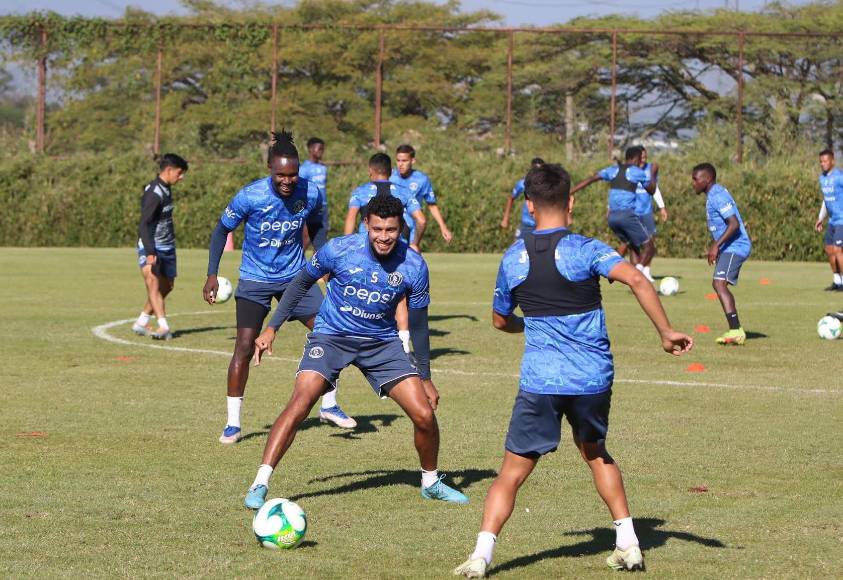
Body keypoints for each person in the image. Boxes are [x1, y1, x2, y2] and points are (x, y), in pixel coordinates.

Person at [452, 164, 693, 578]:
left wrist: (526, 324)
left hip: (541, 381)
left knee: (511, 472)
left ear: (528, 206)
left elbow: (498, 320)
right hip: (592, 380)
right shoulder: (586, 249)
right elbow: (636, 279)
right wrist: (666, 332)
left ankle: (481, 556)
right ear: (571, 201)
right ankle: (629, 544)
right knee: (596, 452)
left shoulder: (513, 258)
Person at [243, 193, 468, 510]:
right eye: (377, 229)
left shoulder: (415, 265)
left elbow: (419, 325)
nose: (384, 237)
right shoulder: (338, 249)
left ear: (401, 227)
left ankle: (430, 482)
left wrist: (426, 376)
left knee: (424, 414)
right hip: (331, 337)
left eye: (391, 230)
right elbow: (300, 284)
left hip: (382, 343)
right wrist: (271, 327)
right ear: (366, 224)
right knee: (301, 401)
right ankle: (260, 483)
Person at [203, 130, 356, 446]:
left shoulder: (310, 192)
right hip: (255, 279)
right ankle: (233, 423)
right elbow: (220, 231)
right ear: (270, 170)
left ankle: (329, 405)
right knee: (244, 346)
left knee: (331, 333)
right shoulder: (251, 195)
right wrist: (211, 274)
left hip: (296, 278)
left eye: (292, 175)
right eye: (280, 175)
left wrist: (325, 261)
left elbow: (316, 225)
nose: (287, 181)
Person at [570, 147, 658, 275]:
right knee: (650, 247)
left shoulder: (613, 170)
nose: (642, 161)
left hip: (612, 219)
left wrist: (570, 192)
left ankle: (620, 273)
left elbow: (591, 179)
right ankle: (638, 273)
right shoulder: (636, 171)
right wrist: (653, 174)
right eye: (641, 158)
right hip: (627, 216)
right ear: (636, 158)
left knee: (631, 244)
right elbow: (652, 190)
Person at [691, 162, 752, 345]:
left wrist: (716, 245)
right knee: (719, 283)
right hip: (729, 247)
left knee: (719, 283)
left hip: (737, 246)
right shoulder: (713, 194)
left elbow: (733, 223)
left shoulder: (717, 195)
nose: (693, 183)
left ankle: (736, 330)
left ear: (707, 179)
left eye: (695, 179)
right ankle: (735, 329)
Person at [133, 153, 189, 341]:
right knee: (153, 281)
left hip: (167, 246)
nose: (181, 177)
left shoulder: (166, 188)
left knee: (167, 286)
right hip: (152, 246)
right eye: (180, 173)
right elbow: (144, 224)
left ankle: (141, 321)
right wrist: (149, 252)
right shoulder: (154, 193)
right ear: (169, 170)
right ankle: (163, 326)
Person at [344, 152, 427, 250]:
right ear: (391, 172)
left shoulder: (360, 191)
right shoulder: (404, 192)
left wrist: (347, 246)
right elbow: (421, 221)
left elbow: (351, 218)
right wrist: (415, 243)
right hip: (397, 248)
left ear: (370, 171)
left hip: (367, 247)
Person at [616, 146, 668, 281]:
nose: (643, 159)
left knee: (650, 242)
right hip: (631, 213)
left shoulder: (650, 169)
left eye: (645, 157)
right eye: (641, 157)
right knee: (632, 244)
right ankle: (635, 271)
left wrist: (662, 207)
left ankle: (646, 271)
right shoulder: (628, 171)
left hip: (646, 212)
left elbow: (654, 189)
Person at [391, 144, 453, 248]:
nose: (400, 164)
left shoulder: (422, 179)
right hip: (394, 226)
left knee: (414, 258)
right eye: (398, 160)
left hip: (414, 228)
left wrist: (443, 227)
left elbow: (432, 205)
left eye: (404, 161)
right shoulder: (389, 176)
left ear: (412, 161)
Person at [815, 149, 843, 291]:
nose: (823, 164)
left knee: (838, 250)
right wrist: (821, 218)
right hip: (832, 221)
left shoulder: (839, 177)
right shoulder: (822, 179)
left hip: (842, 220)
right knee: (829, 250)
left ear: (832, 161)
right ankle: (837, 281)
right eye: (821, 161)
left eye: (826, 161)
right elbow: (826, 200)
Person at [298, 137, 330, 251]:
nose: (321, 151)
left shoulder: (323, 168)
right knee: (306, 237)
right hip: (310, 207)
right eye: (319, 149)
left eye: (323, 149)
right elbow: (300, 189)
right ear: (311, 149)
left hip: (323, 207)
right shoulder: (304, 169)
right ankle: (295, 265)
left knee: (321, 238)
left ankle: (317, 266)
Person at [500, 158, 544, 240]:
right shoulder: (523, 183)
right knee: (517, 249)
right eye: (536, 169)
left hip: (542, 226)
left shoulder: (547, 185)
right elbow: (511, 198)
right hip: (526, 225)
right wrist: (505, 219)